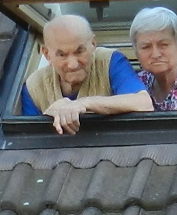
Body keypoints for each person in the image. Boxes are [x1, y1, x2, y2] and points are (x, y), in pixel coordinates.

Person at [21, 14, 154, 134]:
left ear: (93, 44)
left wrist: (84, 103)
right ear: (47, 54)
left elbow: (143, 104)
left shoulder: (110, 61)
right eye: (62, 55)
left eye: (79, 52)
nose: (73, 64)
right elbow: (29, 139)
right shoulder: (34, 87)